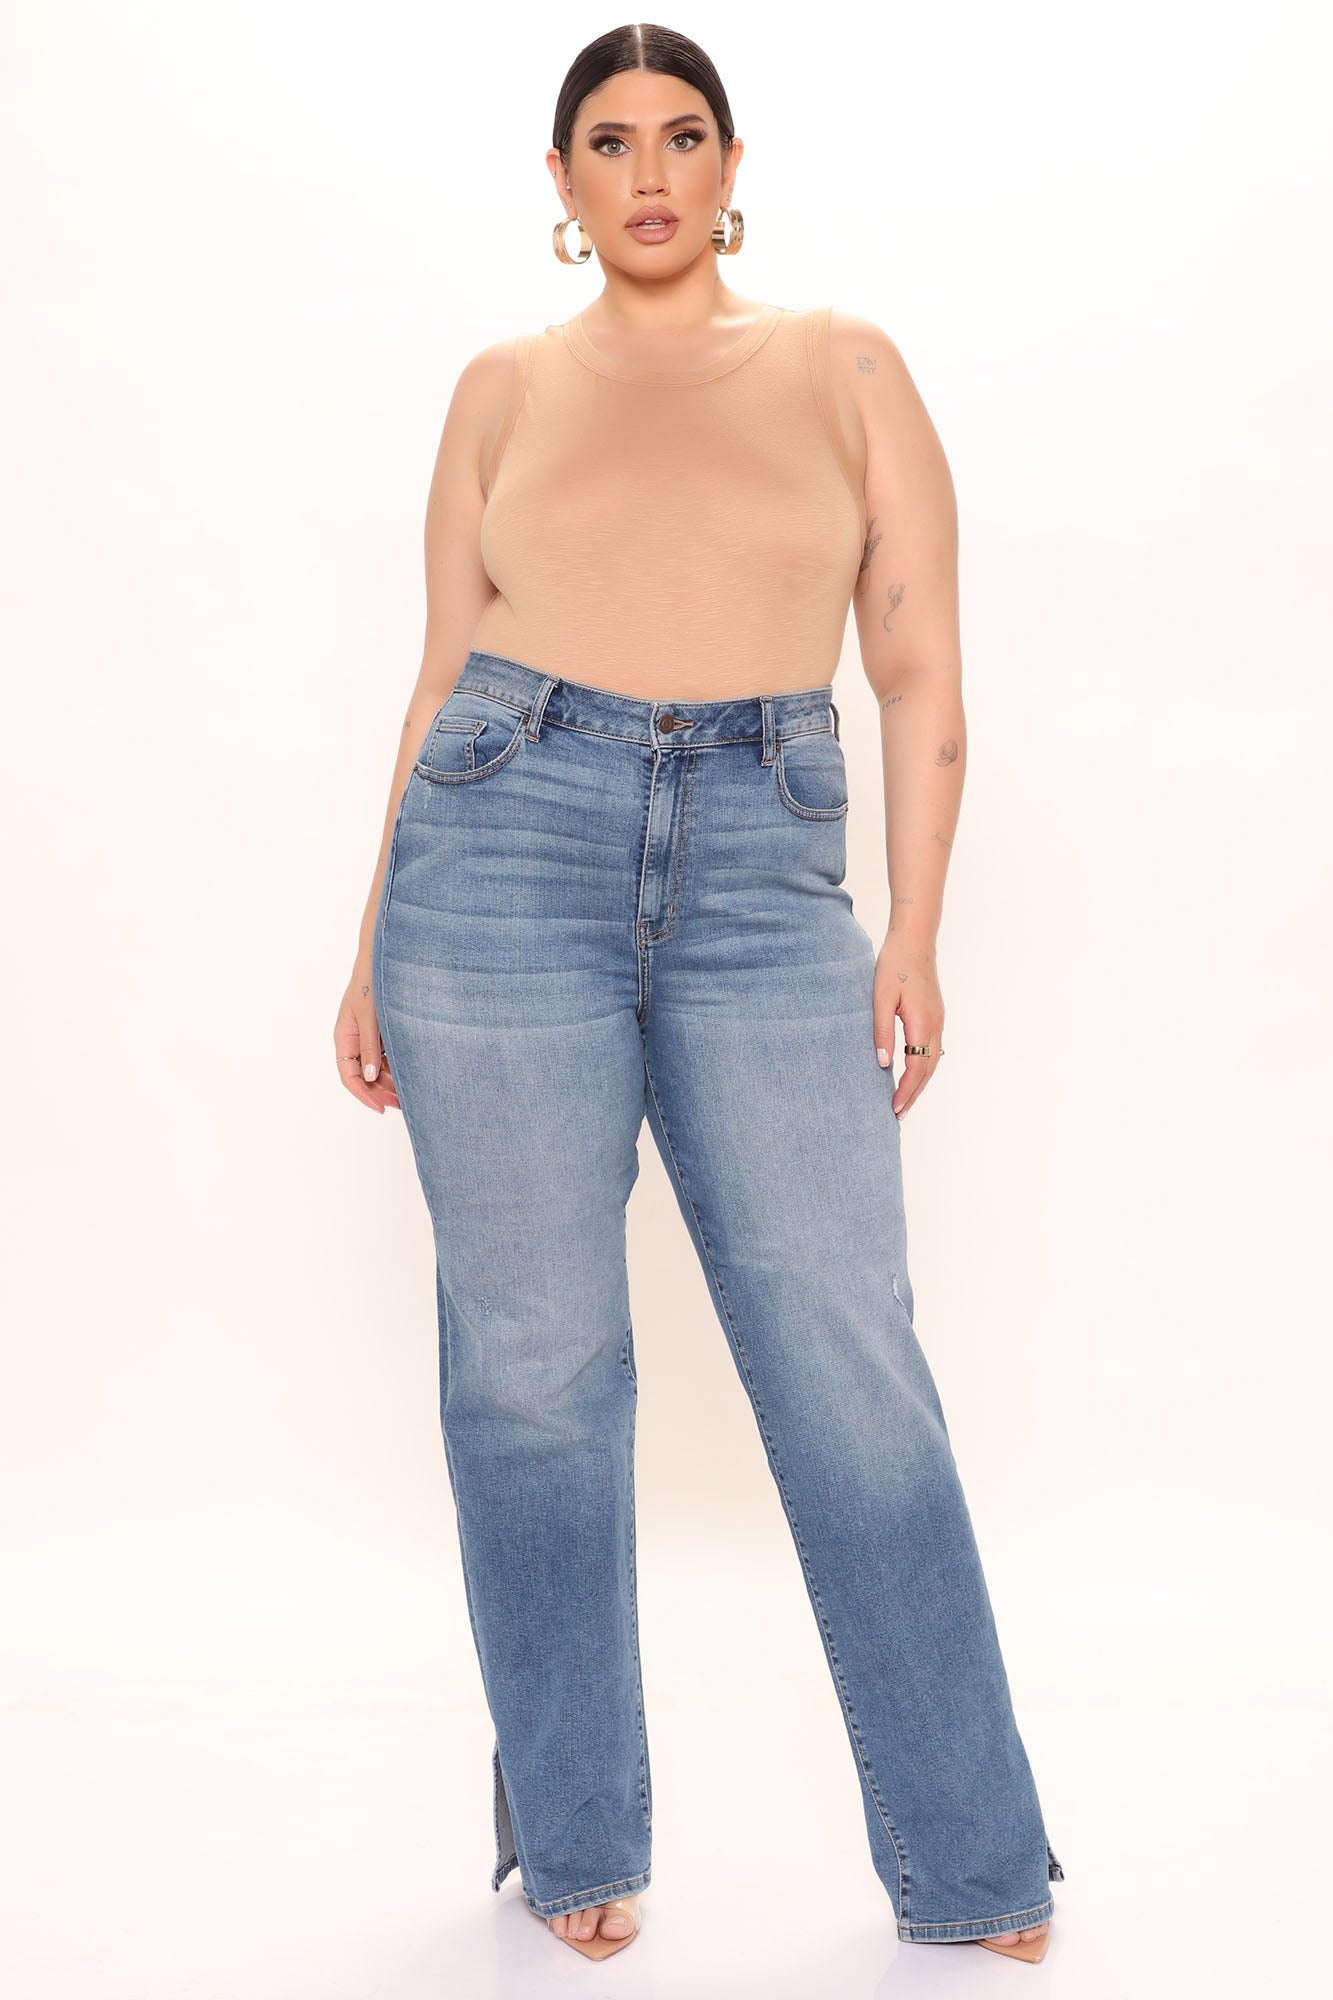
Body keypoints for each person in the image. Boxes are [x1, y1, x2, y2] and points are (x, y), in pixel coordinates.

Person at [333, 21, 1064, 1969]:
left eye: (679, 137)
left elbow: (917, 667)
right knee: (533, 1371)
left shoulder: (843, 367)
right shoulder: (501, 389)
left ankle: (971, 1858)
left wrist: (912, 927)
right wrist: (368, 934)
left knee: (844, 1355)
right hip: (497, 850)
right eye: (606, 142)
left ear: (731, 167)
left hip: (763, 863)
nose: (645, 172)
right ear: (561, 186)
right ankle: (573, 1835)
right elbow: (439, 672)